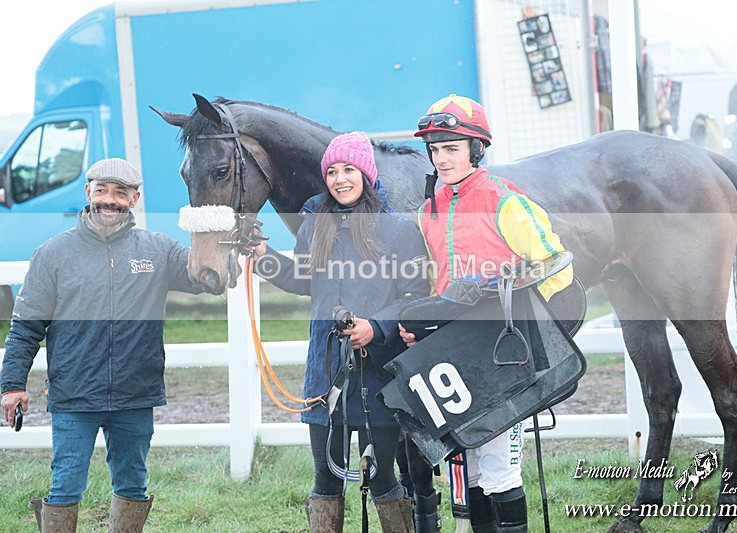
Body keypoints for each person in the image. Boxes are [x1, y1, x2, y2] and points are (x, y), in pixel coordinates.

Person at [1, 158, 205, 533]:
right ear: (88, 193)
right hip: (74, 393)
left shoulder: (159, 250)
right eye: (102, 191)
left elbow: (205, 278)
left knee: (132, 484)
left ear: (135, 198)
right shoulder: (53, 253)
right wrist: (12, 385)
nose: (109, 200)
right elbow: (26, 326)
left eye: (120, 193)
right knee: (65, 484)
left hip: (135, 392)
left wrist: (221, 240)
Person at [400, 94, 573, 532]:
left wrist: (537, 336)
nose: (441, 159)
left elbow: (555, 267)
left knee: (499, 466)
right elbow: (435, 283)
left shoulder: (504, 200)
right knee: (469, 465)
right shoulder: (427, 212)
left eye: (451, 148)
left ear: (476, 149)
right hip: (454, 352)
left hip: (503, 352)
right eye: (435, 149)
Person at [248, 132, 429, 532]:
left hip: (380, 374)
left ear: (365, 171)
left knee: (383, 478)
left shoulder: (399, 229)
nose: (340, 178)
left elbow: (417, 296)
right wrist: (264, 256)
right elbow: (302, 279)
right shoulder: (314, 224)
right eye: (332, 171)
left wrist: (375, 326)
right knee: (325, 480)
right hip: (326, 373)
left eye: (349, 169)